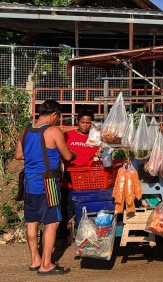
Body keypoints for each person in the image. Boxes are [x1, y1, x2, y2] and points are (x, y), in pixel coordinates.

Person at [15, 100, 74, 275]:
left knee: (31, 222)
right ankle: (46, 264)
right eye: (58, 117)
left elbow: (18, 155)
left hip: (28, 183)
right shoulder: (53, 130)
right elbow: (67, 155)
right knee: (52, 222)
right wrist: (73, 154)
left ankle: (35, 260)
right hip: (47, 183)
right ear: (54, 115)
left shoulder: (25, 130)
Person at [56, 109, 100, 250]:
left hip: (87, 179)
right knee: (65, 208)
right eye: (82, 122)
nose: (85, 126)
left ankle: (83, 237)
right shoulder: (68, 135)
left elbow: (99, 155)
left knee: (83, 209)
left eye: (88, 123)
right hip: (68, 177)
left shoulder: (96, 138)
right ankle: (62, 237)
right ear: (77, 122)